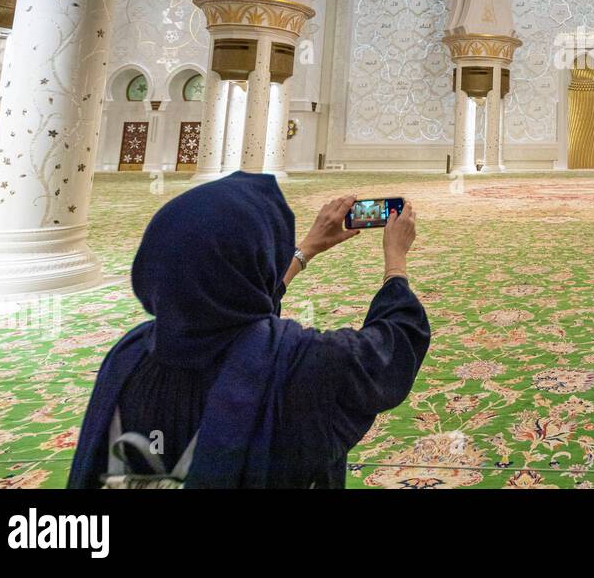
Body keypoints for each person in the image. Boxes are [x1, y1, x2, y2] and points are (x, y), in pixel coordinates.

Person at [68, 171, 429, 488]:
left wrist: (305, 251)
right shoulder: (300, 365)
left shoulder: (128, 355)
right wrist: (396, 259)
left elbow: (235, 308)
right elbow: (395, 343)